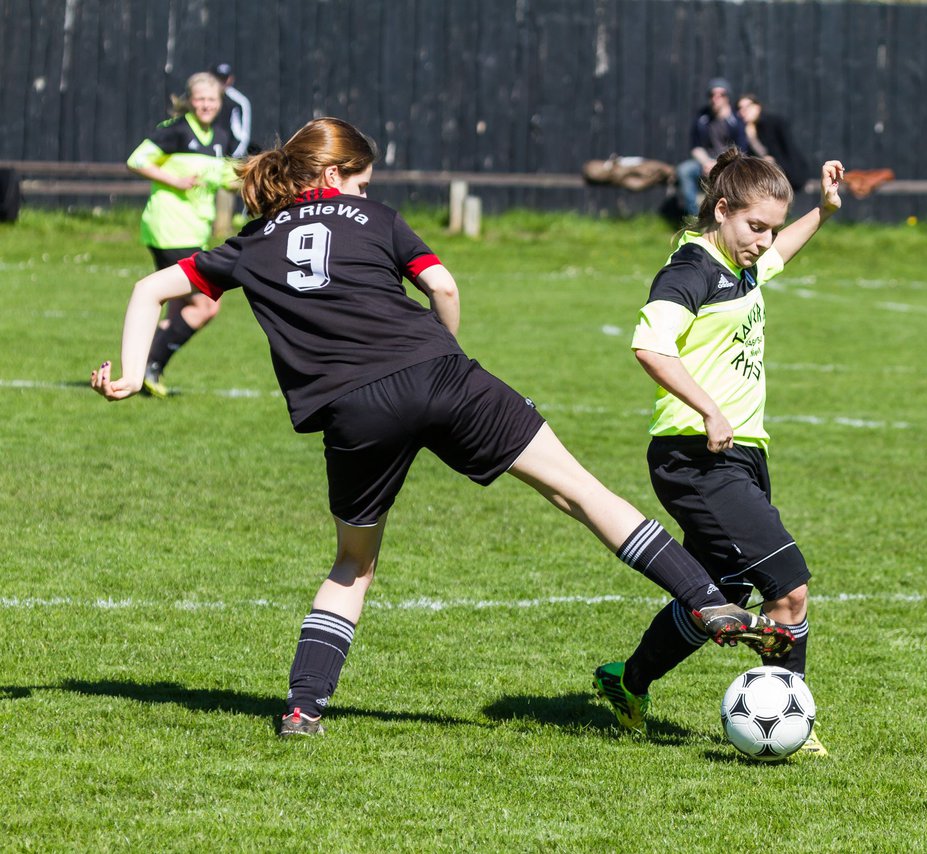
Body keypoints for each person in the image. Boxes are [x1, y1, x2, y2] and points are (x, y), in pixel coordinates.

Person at [91, 118, 794, 738]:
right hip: (443, 375)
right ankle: (703, 596)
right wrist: (447, 353)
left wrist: (128, 373)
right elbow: (444, 286)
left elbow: (148, 289)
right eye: (361, 182)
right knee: (578, 491)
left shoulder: (249, 245)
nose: (366, 194)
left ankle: (304, 707)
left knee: (353, 565)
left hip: (353, 410)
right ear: (335, 177)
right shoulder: (376, 220)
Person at [592, 149, 845, 756]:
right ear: (723, 210)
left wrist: (825, 211)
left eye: (772, 229)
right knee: (789, 587)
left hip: (740, 453)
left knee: (723, 596)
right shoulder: (691, 269)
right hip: (696, 454)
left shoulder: (745, 264)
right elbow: (650, 347)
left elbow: (781, 252)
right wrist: (708, 407)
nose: (765, 241)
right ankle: (793, 720)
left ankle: (627, 682)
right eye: (756, 226)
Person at [126, 71, 239, 397]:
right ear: (189, 101)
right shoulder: (174, 132)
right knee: (206, 306)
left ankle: (147, 369)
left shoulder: (219, 136)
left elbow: (226, 177)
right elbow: (136, 160)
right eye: (200, 99)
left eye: (212, 100)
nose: (206, 105)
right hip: (169, 229)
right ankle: (150, 363)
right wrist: (172, 180)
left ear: (220, 103)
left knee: (180, 310)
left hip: (194, 231)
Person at [675, 78, 749, 217]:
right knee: (684, 170)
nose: (716, 98)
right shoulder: (702, 118)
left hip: (729, 163)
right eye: (712, 95)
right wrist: (706, 162)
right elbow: (696, 147)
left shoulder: (736, 121)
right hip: (705, 162)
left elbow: (741, 150)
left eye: (721, 94)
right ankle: (696, 217)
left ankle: (729, 216)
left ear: (728, 97)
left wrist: (719, 163)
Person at [736, 93, 807, 194]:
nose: (742, 112)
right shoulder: (744, 130)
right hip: (769, 182)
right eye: (740, 108)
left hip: (789, 177)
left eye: (747, 107)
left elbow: (788, 152)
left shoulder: (774, 123)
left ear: (757, 107)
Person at [211, 61, 253, 159]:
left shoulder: (237, 102)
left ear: (230, 79)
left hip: (226, 161)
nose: (220, 82)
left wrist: (229, 161)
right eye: (217, 78)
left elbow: (242, 138)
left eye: (223, 79)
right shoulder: (200, 98)